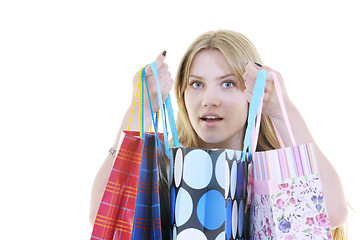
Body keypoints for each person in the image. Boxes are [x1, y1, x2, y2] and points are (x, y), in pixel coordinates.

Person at [90, 30, 348, 239]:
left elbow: (332, 213)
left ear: (251, 95)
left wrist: (283, 111)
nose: (209, 99)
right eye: (196, 84)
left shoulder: (275, 176)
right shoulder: (162, 167)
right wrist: (138, 111)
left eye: (228, 83)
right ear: (182, 93)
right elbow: (103, 216)